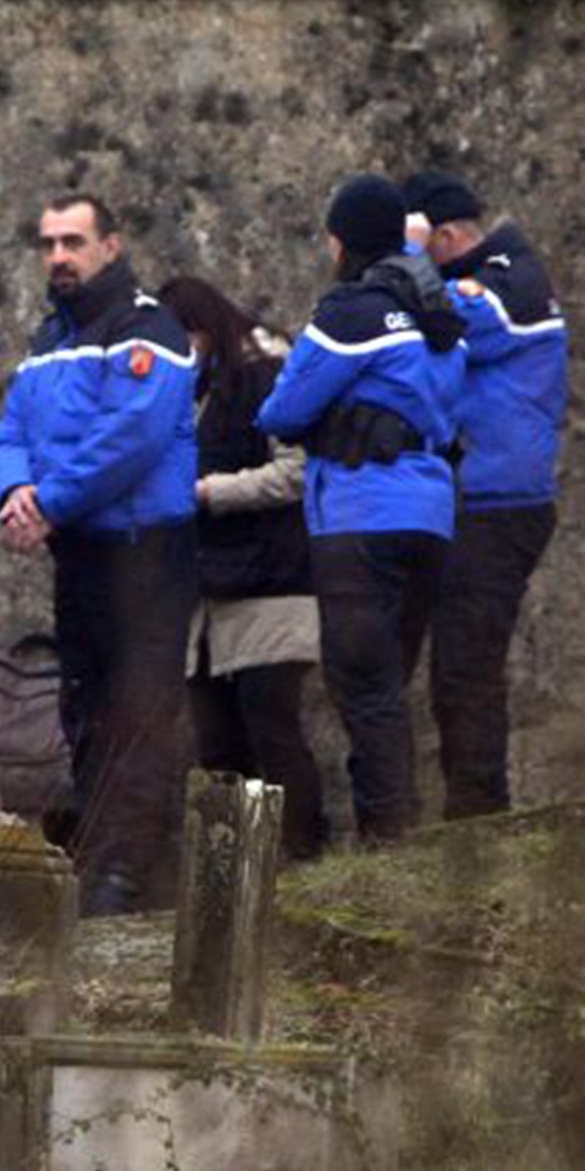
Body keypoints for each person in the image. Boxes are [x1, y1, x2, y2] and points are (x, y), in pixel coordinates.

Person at [0, 195, 198, 915]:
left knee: (139, 714)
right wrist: (16, 489)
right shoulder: (48, 341)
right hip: (79, 553)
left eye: (72, 242)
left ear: (111, 245)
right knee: (85, 713)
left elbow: (130, 438)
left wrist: (46, 502)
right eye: (47, 244)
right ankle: (103, 857)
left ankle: (129, 874)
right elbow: (9, 429)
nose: (58, 257)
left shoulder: (149, 329)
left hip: (145, 555)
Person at [259, 174, 465, 845]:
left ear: (340, 240)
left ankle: (387, 840)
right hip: (430, 515)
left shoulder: (349, 314)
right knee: (388, 685)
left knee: (362, 686)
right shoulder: (441, 322)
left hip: (359, 514)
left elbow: (284, 410)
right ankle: (391, 834)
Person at [402, 171, 569, 819]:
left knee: (465, 671)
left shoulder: (510, 277)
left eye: (422, 240)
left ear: (444, 235)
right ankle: (469, 828)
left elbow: (451, 323)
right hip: (469, 499)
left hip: (498, 505)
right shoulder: (498, 273)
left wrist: (409, 258)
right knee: (449, 672)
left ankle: (479, 835)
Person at [158, 276, 328, 862]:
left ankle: (301, 861)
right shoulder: (191, 387)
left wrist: (211, 492)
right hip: (208, 592)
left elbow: (298, 469)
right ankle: (226, 879)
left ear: (205, 328)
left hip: (270, 582)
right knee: (217, 743)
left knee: (272, 730)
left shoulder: (264, 371)